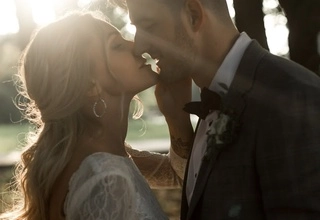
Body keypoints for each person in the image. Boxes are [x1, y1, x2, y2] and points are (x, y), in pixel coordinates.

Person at [120, 0, 320, 219]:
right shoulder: (209, 102)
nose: (139, 46)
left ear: (193, 15)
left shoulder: (291, 99)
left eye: (148, 26)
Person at [0, 11, 194, 220]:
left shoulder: (97, 155)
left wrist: (176, 116)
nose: (136, 46)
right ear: (90, 85)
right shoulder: (106, 177)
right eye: (116, 46)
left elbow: (180, 174)